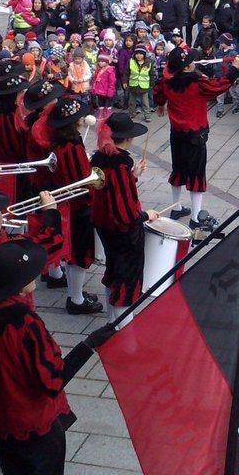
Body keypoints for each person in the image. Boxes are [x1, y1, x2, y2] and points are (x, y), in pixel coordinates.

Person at [0, 238, 76, 475]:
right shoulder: (25, 324)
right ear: (18, 286)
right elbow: (51, 379)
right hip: (34, 423)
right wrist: (84, 351)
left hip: (1, 421)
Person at [155, 46, 239, 228]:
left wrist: (161, 103)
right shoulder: (198, 84)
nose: (194, 63)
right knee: (196, 174)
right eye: (191, 62)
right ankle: (196, 218)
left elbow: (158, 92)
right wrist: (235, 68)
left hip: (176, 133)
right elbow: (220, 86)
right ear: (187, 68)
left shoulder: (167, 82)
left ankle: (176, 208)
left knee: (178, 170)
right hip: (195, 135)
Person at [90, 112, 160, 322]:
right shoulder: (119, 165)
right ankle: (123, 330)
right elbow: (125, 213)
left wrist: (133, 176)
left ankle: (111, 323)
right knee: (126, 282)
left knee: (113, 273)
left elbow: (111, 191)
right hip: (123, 233)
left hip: (104, 226)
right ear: (128, 138)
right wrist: (146, 215)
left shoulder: (100, 158)